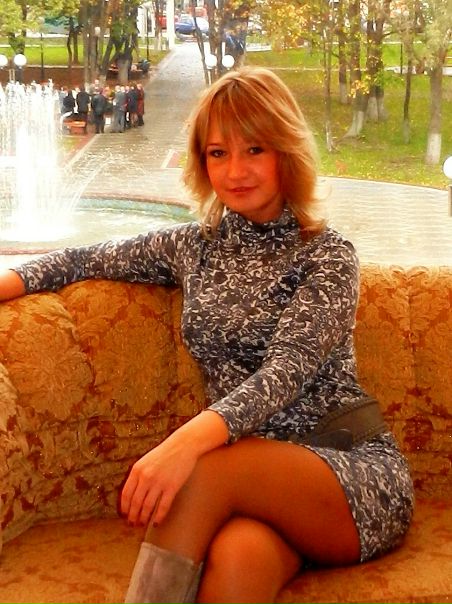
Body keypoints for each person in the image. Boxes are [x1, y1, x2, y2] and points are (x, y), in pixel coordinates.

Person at [0, 67, 414, 604]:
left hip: (346, 471)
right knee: (239, 562)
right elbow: (79, 259)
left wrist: (183, 443)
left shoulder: (327, 255)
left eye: (255, 149)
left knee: (202, 471)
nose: (235, 171)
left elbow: (285, 371)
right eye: (218, 153)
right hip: (254, 493)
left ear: (286, 152)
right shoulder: (194, 247)